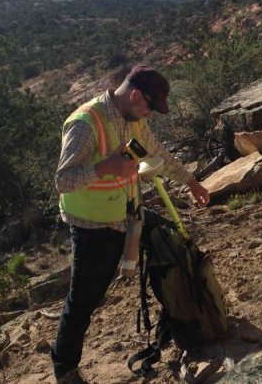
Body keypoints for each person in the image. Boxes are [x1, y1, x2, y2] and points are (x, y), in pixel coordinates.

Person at [50, 65, 210, 384]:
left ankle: (182, 326)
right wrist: (104, 167)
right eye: (150, 107)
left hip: (128, 212)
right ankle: (65, 369)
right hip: (92, 225)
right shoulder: (86, 122)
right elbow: (62, 180)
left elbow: (157, 150)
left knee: (170, 245)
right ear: (136, 95)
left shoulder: (133, 118)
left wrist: (191, 181)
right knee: (84, 300)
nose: (150, 115)